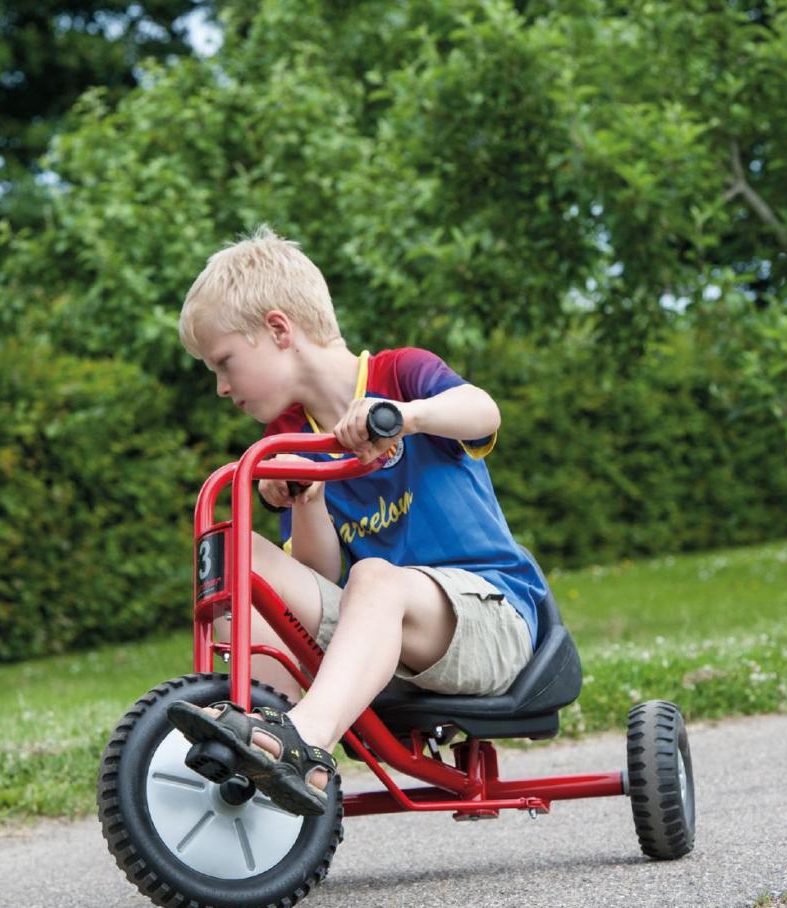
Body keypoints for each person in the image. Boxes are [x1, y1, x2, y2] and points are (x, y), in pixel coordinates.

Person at [166, 226, 547, 817]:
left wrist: (406, 416)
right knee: (240, 551)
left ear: (277, 330)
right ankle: (260, 726)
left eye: (225, 363)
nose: (221, 387)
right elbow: (313, 581)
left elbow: (482, 412)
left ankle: (303, 742)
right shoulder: (290, 439)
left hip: (489, 615)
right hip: (380, 632)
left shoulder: (403, 374)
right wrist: (307, 499)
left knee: (375, 574)